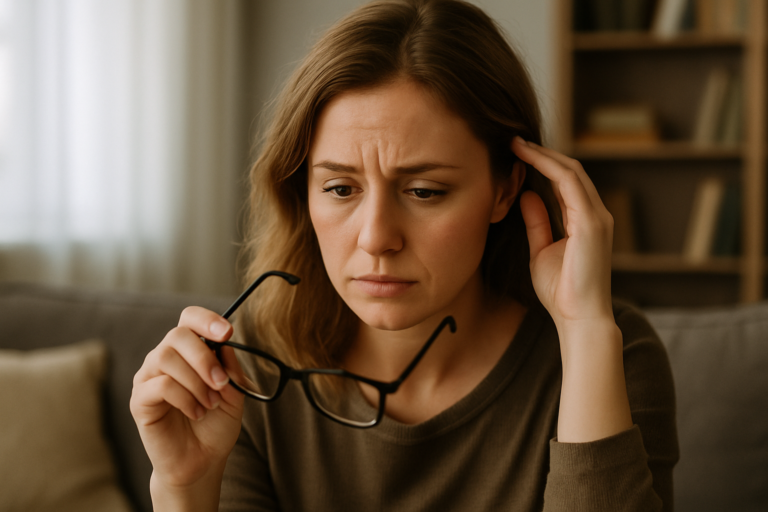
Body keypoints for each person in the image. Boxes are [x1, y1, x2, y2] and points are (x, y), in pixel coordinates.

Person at [130, 0, 679, 510]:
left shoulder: (610, 354)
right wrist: (186, 486)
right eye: (341, 189)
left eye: (423, 192)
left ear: (505, 190)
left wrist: (583, 331)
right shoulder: (246, 364)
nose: (375, 238)